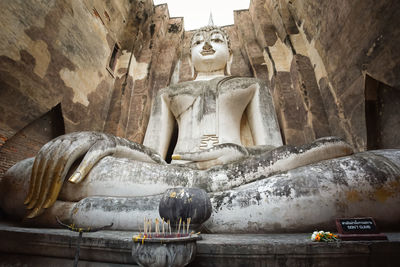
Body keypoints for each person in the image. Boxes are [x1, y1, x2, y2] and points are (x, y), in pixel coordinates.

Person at [1, 25, 367, 233]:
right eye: (197, 41)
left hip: (244, 174)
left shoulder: (251, 86)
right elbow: (152, 155)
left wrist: (239, 155)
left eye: (217, 39)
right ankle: (201, 204)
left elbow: (271, 150)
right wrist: (106, 141)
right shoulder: (170, 92)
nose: (206, 45)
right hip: (170, 177)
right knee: (23, 177)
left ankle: (100, 213)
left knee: (356, 171)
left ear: (231, 51)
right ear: (188, 54)